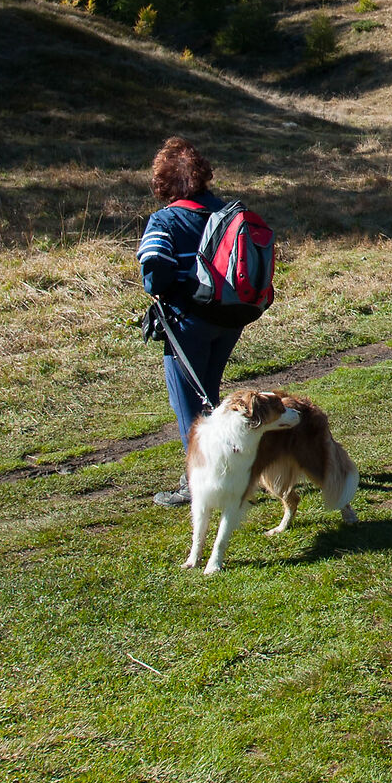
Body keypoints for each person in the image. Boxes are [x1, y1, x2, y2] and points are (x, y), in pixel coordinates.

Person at [137, 136, 248, 506]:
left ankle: (197, 484)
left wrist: (158, 288)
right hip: (231, 317)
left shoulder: (165, 219)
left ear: (164, 184)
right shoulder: (228, 211)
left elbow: (154, 266)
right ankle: (229, 467)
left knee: (188, 405)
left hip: (187, 323)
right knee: (209, 396)